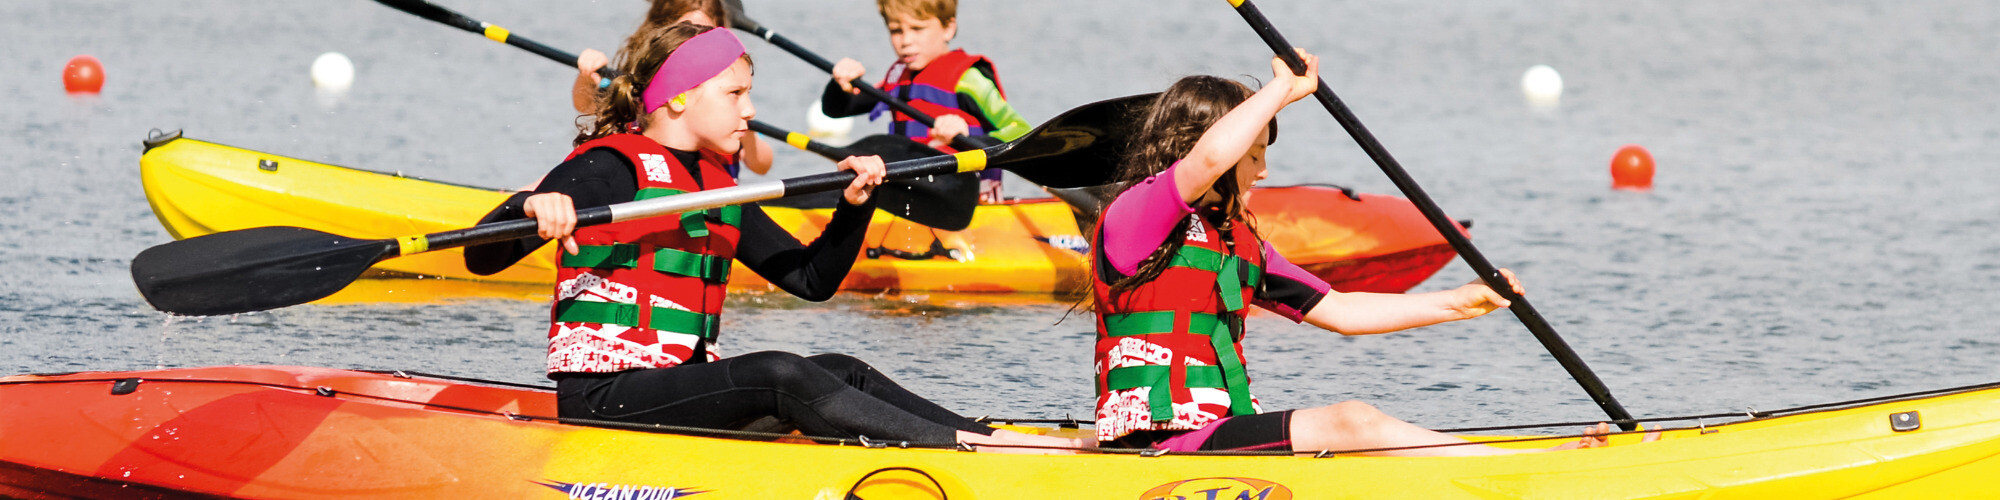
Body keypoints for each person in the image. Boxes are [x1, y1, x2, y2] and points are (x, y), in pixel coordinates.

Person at [466, 22, 1077, 454]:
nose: (751, 110)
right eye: (735, 94)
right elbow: (481, 253)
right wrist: (531, 204)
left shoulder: (714, 184)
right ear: (678, 99)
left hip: (678, 390)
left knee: (842, 368)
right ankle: (962, 452)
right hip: (603, 399)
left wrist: (853, 208)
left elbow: (810, 281)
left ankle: (995, 439)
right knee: (781, 372)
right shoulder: (611, 166)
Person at [1090, 50, 1641, 455]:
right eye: (1254, 154)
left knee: (1355, 425)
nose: (1264, 169)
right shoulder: (1136, 219)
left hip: (1218, 435)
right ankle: (1532, 469)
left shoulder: (1242, 244)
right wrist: (1280, 90)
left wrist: (1461, 302)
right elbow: (1208, 161)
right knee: (1352, 421)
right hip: (1153, 439)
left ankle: (1518, 462)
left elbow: (1344, 311)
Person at [573, 0, 772, 178]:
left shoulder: (730, 95)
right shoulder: (635, 84)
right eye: (686, 30)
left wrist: (743, 122)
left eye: (704, 32)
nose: (695, 40)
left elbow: (761, 165)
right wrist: (586, 77)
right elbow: (587, 104)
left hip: (717, 200)